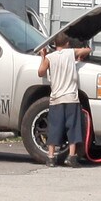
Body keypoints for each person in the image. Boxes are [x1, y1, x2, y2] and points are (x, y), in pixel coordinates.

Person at [37, 33, 92, 167]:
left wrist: (43, 56)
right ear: (67, 44)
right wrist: (81, 54)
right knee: (72, 127)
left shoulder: (50, 58)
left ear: (55, 44)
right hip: (71, 98)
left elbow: (40, 72)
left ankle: (50, 158)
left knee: (54, 127)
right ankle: (71, 157)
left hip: (56, 98)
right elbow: (87, 50)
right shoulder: (70, 53)